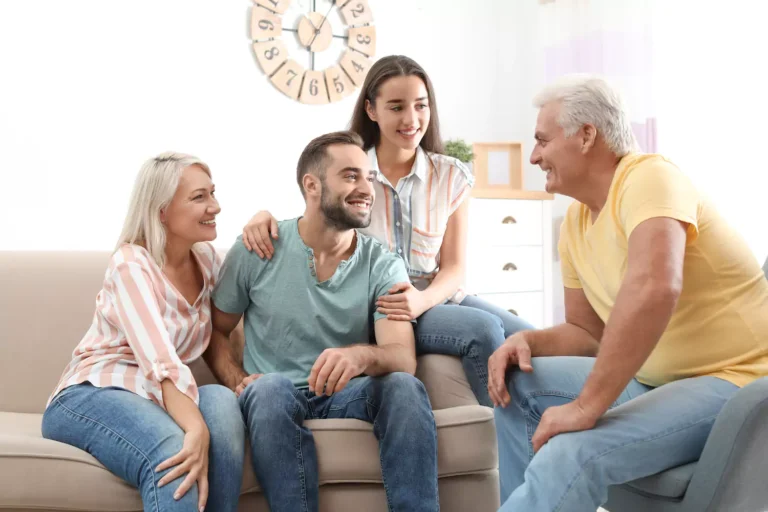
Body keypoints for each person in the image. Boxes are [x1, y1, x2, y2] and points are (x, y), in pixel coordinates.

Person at [487, 75, 768, 511]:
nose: (535, 155)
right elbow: (587, 331)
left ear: (586, 136)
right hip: (654, 380)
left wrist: (585, 407)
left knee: (571, 451)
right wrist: (528, 341)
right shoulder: (577, 221)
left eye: (542, 140)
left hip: (737, 377)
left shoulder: (650, 178)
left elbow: (656, 287)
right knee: (515, 380)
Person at [242, 55, 534, 407]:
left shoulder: (451, 175)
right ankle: (498, 433)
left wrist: (421, 300)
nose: (411, 120)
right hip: (382, 308)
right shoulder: (354, 172)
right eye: (396, 107)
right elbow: (315, 218)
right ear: (372, 109)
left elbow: (454, 267)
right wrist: (261, 215)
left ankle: (539, 433)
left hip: (434, 296)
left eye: (420, 106)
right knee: (484, 331)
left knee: (532, 339)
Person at [205, 131, 439, 512]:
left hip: (346, 394)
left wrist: (360, 358)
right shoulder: (258, 248)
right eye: (350, 176)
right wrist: (237, 381)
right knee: (267, 392)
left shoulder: (383, 264)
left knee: (402, 387)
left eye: (369, 177)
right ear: (311, 186)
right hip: (274, 395)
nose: (367, 188)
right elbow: (215, 329)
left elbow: (402, 357)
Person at [41, 153, 245, 512]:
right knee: (174, 449)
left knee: (224, 407)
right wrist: (195, 428)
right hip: (91, 394)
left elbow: (235, 312)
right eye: (199, 197)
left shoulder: (209, 262)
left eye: (213, 193)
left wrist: (262, 223)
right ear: (161, 210)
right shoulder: (131, 264)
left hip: (155, 397)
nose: (215, 206)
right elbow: (160, 363)